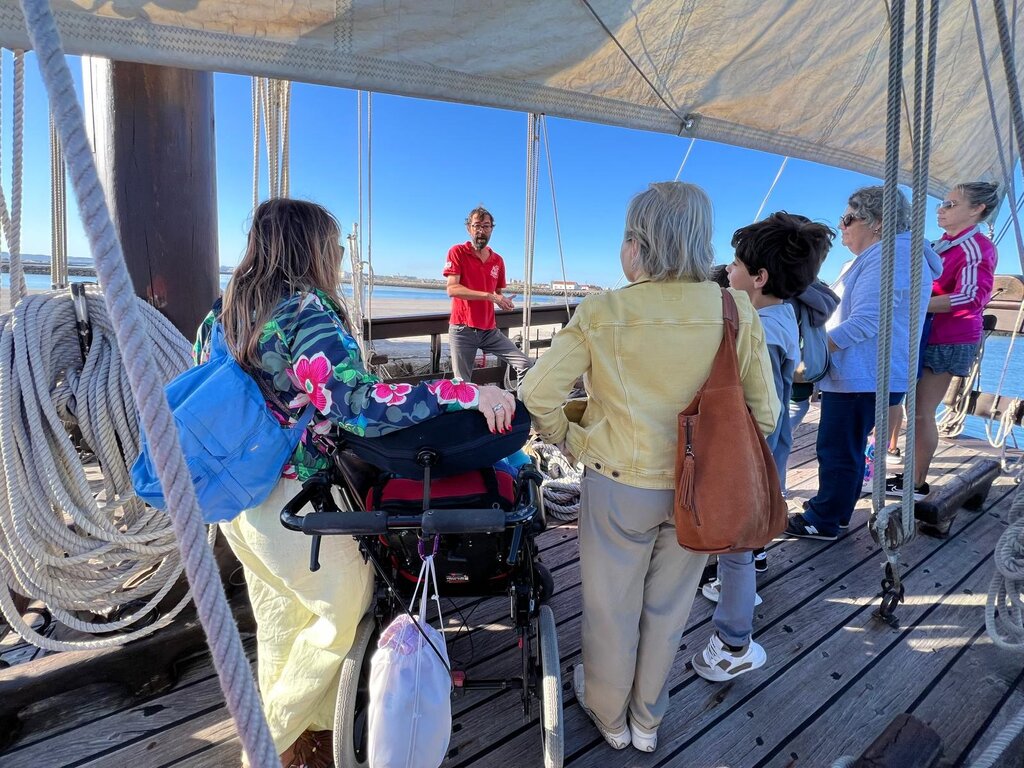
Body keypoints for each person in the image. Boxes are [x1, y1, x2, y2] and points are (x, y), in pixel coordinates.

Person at [196, 199, 516, 767]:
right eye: (335, 246)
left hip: (238, 500)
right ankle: (267, 742)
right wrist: (469, 392)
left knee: (281, 621)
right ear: (311, 249)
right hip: (294, 499)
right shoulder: (304, 312)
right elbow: (363, 406)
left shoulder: (222, 313)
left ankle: (310, 745)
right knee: (342, 613)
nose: (340, 257)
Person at [520, 182, 778, 753]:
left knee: (610, 609)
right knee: (668, 608)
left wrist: (573, 440)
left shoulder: (604, 311)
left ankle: (608, 715)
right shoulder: (732, 308)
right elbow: (766, 414)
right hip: (699, 490)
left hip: (619, 484)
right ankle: (647, 721)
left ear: (636, 245)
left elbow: (536, 393)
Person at [694, 212, 832, 683]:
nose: (727, 270)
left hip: (747, 453)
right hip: (763, 452)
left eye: (735, 264)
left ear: (759, 277)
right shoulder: (780, 314)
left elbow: (762, 407)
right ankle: (740, 581)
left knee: (736, 545)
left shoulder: (764, 331)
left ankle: (734, 643)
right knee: (744, 542)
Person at [785, 186, 942, 541]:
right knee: (849, 447)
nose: (841, 226)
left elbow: (869, 320)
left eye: (848, 218)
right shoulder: (893, 255)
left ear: (877, 222)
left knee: (837, 449)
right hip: (870, 373)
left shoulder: (890, 256)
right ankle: (836, 510)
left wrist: (814, 353)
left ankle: (824, 519)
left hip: (864, 374)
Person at [886, 182, 999, 500]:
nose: (941, 209)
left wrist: (910, 303)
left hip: (948, 338)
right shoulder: (943, 245)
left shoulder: (976, 247)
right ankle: (907, 472)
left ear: (976, 209)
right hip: (924, 334)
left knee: (921, 411)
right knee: (909, 406)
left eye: (951, 204)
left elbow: (971, 297)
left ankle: (915, 484)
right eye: (942, 203)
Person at [444, 206, 533, 382]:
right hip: (462, 329)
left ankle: (522, 399)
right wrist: (489, 296)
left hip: (489, 330)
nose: (481, 230)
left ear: (492, 229)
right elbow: (452, 289)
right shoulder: (458, 252)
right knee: (463, 384)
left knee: (525, 364)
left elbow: (497, 292)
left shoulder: (497, 260)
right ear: (468, 228)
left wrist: (503, 301)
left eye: (486, 226)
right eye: (477, 225)